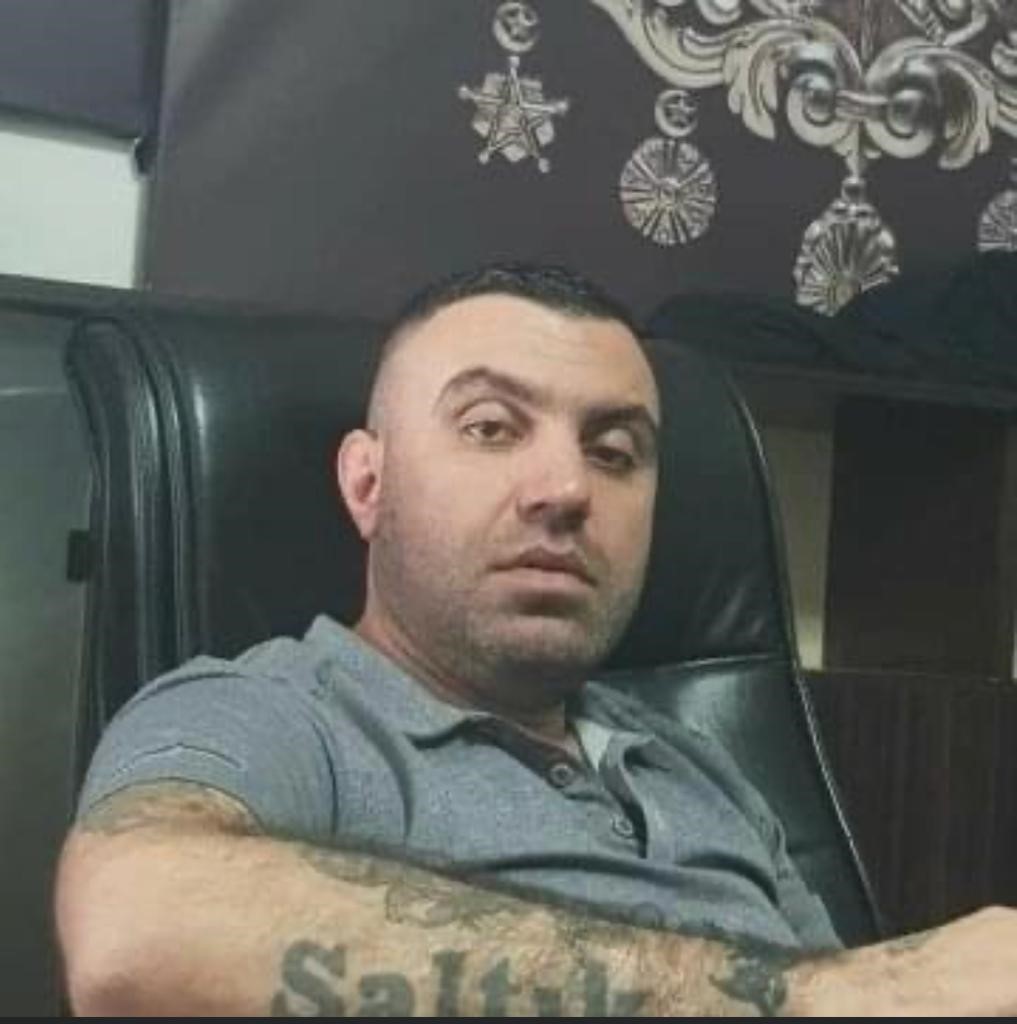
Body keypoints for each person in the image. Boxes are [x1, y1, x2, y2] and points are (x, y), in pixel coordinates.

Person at [57, 263, 1017, 1016]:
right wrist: (824, 999)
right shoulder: (268, 714)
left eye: (614, 451)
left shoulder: (699, 767)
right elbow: (136, 937)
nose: (565, 489)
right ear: (367, 483)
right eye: (490, 428)